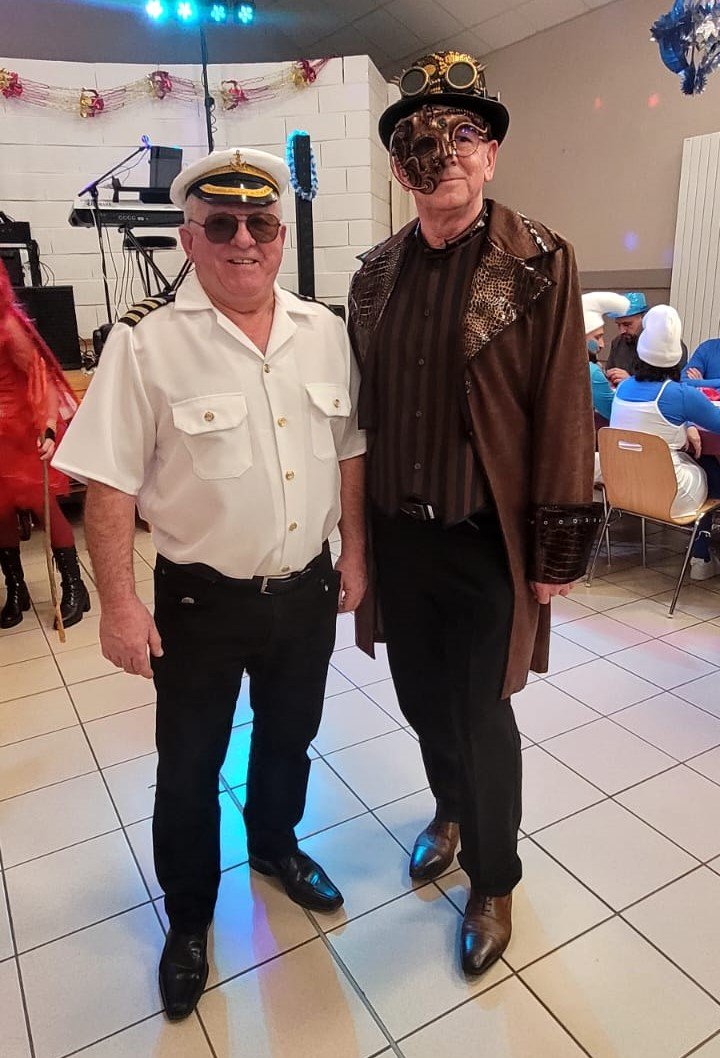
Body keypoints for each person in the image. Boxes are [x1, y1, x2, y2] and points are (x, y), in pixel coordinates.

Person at [53, 147, 367, 1021]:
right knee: (189, 765)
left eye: (260, 222)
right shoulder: (145, 342)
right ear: (189, 239)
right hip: (201, 601)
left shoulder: (324, 331)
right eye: (220, 224)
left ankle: (274, 845)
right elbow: (108, 486)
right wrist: (119, 604)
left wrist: (358, 554)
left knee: (290, 738)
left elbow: (349, 452)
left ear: (281, 234)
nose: (243, 240)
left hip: (306, 591)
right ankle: (190, 917)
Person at [349, 51, 597, 977]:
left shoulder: (541, 261)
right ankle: (449, 811)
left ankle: (493, 879)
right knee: (421, 697)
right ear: (399, 165)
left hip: (488, 538)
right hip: (400, 536)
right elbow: (358, 418)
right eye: (424, 138)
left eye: (465, 133)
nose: (445, 151)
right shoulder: (374, 275)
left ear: (490, 154)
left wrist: (556, 548)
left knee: (485, 710)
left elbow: (564, 406)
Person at [0, 259, 90, 629]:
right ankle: (15, 588)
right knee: (0, 514)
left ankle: (74, 586)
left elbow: (42, 379)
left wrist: (48, 429)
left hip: (22, 433)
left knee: (45, 508)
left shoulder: (8, 326)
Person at [610, 304, 720, 577]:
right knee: (711, 468)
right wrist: (689, 422)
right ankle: (700, 557)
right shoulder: (681, 395)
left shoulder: (622, 387)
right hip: (670, 495)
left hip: (623, 489)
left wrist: (686, 424)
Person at [606, 290, 688, 384]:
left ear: (644, 318)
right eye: (618, 325)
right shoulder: (618, 343)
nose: (622, 331)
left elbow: (673, 384)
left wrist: (630, 382)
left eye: (627, 324)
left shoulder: (668, 345)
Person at [583, 291, 630, 422]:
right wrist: (628, 384)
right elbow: (614, 412)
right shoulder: (590, 371)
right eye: (597, 337)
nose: (602, 344)